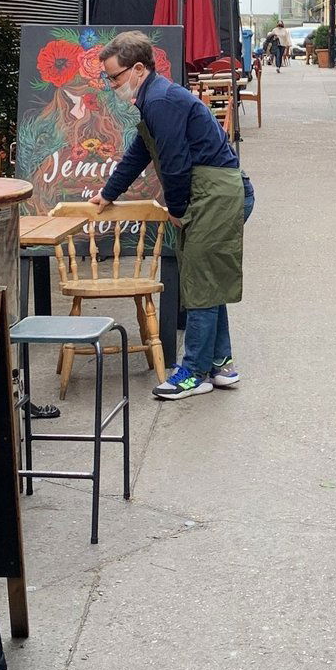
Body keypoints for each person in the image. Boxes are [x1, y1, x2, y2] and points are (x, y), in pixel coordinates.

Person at [92, 32, 254, 401]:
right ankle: (220, 363)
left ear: (137, 69)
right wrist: (109, 192)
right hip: (219, 191)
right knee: (208, 278)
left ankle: (193, 373)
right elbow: (140, 153)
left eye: (114, 77)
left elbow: (176, 164)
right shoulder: (156, 96)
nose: (111, 84)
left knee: (199, 282)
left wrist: (178, 210)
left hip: (216, 194)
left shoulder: (160, 99)